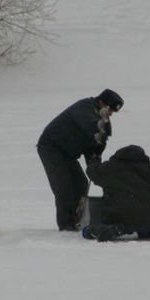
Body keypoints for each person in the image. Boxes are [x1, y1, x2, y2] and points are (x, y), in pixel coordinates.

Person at [37, 89, 123, 231]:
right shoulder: (84, 107)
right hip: (51, 148)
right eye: (110, 109)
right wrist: (99, 130)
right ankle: (66, 225)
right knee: (63, 186)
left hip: (69, 154)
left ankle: (78, 220)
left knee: (81, 184)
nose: (110, 114)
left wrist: (95, 166)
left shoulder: (103, 121)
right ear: (102, 102)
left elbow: (93, 147)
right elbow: (90, 126)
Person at [82, 145, 150, 242]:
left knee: (86, 230)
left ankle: (108, 230)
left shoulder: (108, 170)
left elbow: (92, 170)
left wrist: (95, 159)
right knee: (148, 225)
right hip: (145, 220)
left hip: (119, 218)